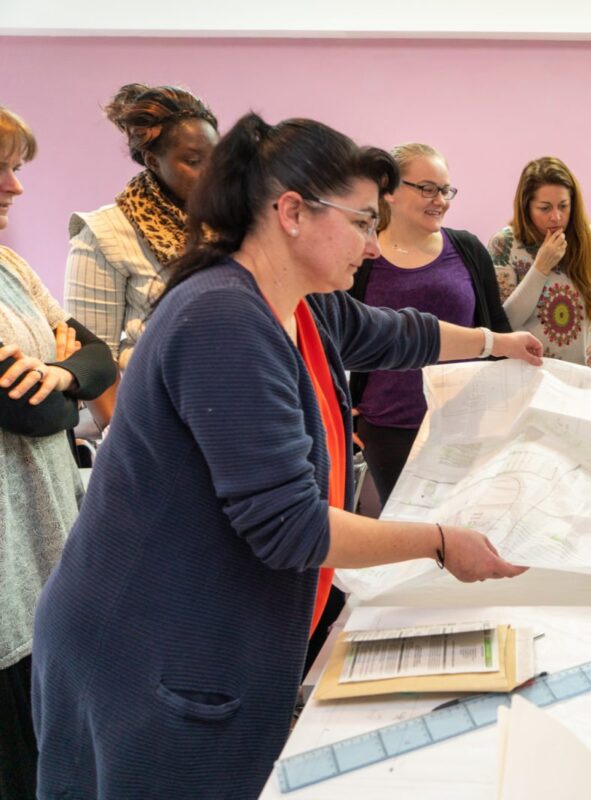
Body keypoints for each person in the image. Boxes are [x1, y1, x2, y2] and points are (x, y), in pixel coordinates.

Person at [32, 114, 543, 798]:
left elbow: (396, 335)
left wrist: (494, 343)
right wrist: (441, 543)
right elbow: (289, 527)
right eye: (363, 221)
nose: (372, 243)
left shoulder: (299, 304)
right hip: (152, 645)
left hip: (211, 624)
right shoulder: (222, 320)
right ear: (292, 212)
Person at [0, 106, 116, 800]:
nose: (14, 187)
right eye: (1, 168)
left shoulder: (10, 265)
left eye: (16, 169)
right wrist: (68, 388)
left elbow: (97, 356)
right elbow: (26, 409)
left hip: (47, 552)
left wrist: (66, 375)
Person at [349, 142, 510, 503]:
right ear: (388, 191)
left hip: (465, 426)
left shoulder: (467, 249)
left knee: (463, 532)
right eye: (426, 188)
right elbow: (345, 336)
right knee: (412, 536)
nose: (440, 199)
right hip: (389, 429)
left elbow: (497, 331)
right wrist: (345, 406)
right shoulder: (364, 258)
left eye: (445, 190)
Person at [65, 83, 219, 429]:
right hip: (157, 423)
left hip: (233, 414)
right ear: (153, 161)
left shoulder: (234, 225)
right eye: (194, 162)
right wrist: (126, 441)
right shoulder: (106, 232)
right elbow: (93, 357)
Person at [491, 156, 591, 370]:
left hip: (585, 380)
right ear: (526, 207)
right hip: (530, 380)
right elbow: (504, 323)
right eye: (544, 208)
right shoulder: (505, 244)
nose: (556, 217)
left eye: (564, 206)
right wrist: (540, 267)